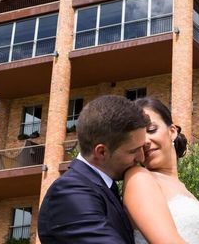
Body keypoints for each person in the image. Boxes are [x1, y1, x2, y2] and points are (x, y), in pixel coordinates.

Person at [38, 95, 149, 243]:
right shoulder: (69, 193)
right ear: (101, 151)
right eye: (133, 151)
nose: (141, 158)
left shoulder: (101, 187)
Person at [124, 97, 199, 244]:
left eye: (151, 130)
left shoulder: (183, 188)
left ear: (172, 131)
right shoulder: (138, 178)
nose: (145, 141)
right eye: (138, 138)